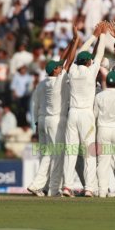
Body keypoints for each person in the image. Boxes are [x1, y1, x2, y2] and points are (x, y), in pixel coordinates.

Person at [27, 24, 79, 197]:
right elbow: (68, 61)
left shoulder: (43, 83)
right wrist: (76, 42)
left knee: (48, 154)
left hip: (42, 120)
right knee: (55, 156)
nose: (60, 67)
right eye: (59, 68)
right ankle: (46, 187)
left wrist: (71, 42)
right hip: (56, 121)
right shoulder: (58, 82)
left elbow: (61, 61)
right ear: (56, 71)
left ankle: (49, 188)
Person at [62, 21, 106, 197]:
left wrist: (93, 36)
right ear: (89, 62)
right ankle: (89, 188)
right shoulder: (91, 71)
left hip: (72, 113)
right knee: (89, 153)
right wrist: (101, 35)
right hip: (86, 115)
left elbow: (80, 54)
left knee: (70, 151)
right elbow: (100, 52)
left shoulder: (72, 70)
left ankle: (66, 186)